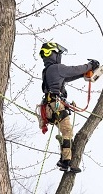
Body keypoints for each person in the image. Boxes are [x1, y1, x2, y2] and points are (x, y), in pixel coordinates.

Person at [39, 42, 100, 173]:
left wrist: (86, 73)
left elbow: (71, 76)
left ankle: (64, 160)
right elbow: (74, 70)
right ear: (52, 54)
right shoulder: (56, 68)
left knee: (66, 132)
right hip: (56, 106)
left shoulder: (49, 71)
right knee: (67, 132)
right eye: (58, 53)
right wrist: (90, 65)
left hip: (50, 107)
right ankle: (65, 162)